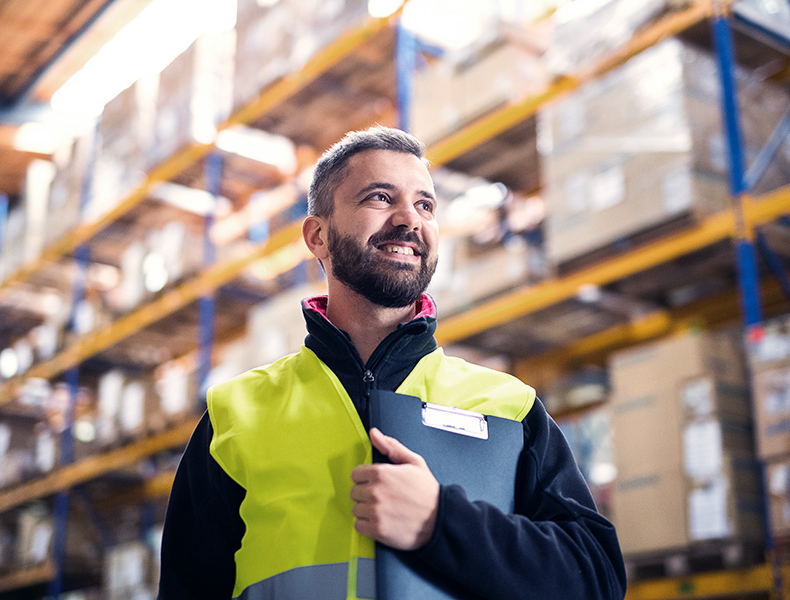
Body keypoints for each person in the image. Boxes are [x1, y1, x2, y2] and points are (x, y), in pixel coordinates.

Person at [158, 126, 627, 599]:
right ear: (318, 236)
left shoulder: (508, 407)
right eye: (380, 198)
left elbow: (597, 580)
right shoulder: (236, 416)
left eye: (425, 205)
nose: (409, 219)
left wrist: (441, 522)